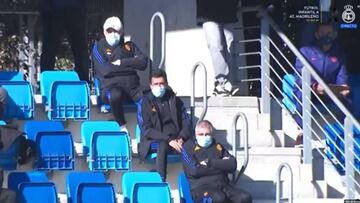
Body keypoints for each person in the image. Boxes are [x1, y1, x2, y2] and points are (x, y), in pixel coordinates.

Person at [294, 21, 350, 146]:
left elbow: (342, 78)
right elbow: (300, 76)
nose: (326, 36)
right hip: (311, 91)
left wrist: (341, 89)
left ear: (334, 35)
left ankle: (345, 132)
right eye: (323, 33)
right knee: (301, 90)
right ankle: (301, 129)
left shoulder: (339, 54)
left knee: (348, 96)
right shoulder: (305, 51)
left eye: (329, 33)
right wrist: (315, 86)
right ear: (317, 35)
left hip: (329, 92)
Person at [92, 16, 148, 129]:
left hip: (133, 88)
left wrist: (121, 62)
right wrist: (131, 65)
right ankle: (122, 126)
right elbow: (105, 71)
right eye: (109, 31)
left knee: (148, 98)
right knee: (114, 95)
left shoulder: (129, 46)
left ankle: (145, 129)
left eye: (116, 31)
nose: (112, 34)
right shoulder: (98, 48)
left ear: (122, 32)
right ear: (104, 31)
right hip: (110, 87)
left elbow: (143, 63)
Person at [139, 69, 192, 181]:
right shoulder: (145, 102)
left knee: (195, 147)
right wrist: (168, 140)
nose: (159, 86)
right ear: (151, 85)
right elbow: (147, 130)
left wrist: (181, 138)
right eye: (156, 84)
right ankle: (161, 180)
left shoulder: (175, 100)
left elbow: (187, 122)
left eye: (162, 83)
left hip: (177, 139)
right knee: (162, 145)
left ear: (166, 84)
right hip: (156, 140)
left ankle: (197, 181)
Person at [182, 120, 252, 203]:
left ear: (212, 134)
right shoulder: (187, 148)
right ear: (196, 134)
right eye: (201, 134)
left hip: (223, 186)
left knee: (245, 198)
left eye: (207, 134)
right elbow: (195, 171)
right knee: (219, 198)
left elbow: (232, 165)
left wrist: (209, 163)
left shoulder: (218, 147)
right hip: (201, 188)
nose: (204, 136)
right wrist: (221, 165)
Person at [196, 0, 240, 96]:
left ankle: (232, 84)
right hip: (207, 12)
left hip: (228, 10)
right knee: (216, 46)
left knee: (231, 47)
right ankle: (221, 83)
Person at [40, 0, 89, 81]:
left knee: (80, 50)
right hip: (53, 9)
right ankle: (46, 83)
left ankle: (83, 84)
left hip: (75, 8)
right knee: (49, 50)